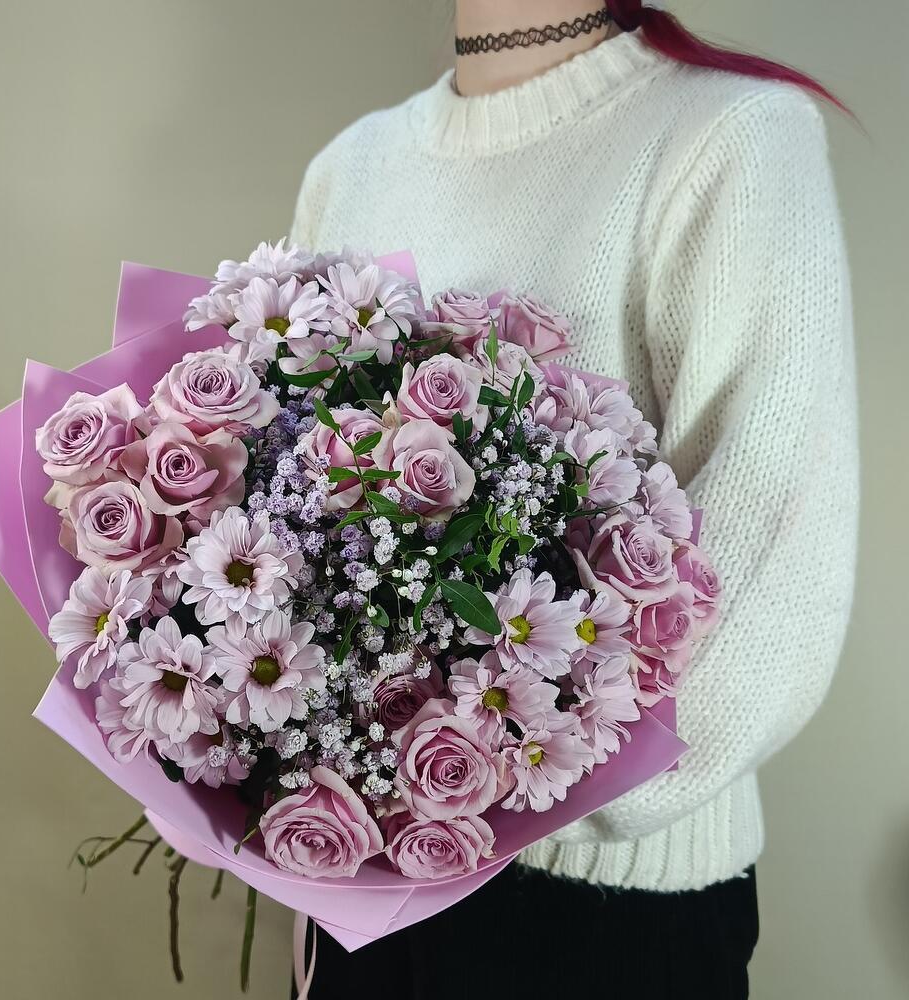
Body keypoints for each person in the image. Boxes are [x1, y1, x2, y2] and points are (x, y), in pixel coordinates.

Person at [287, 2, 859, 997]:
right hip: (355, 880)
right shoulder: (352, 166)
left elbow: (773, 565)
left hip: (597, 911)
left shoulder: (727, 136)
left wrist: (481, 795)